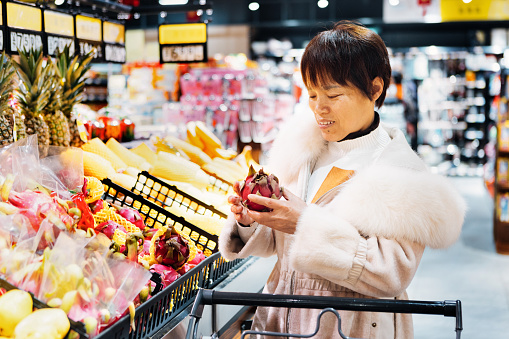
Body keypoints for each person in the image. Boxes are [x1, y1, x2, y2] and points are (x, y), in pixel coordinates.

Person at [219, 21, 466, 339]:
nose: (318, 108)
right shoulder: (301, 150)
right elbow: (277, 242)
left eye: (333, 94)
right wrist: (250, 220)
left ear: (375, 89)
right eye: (311, 94)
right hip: (280, 320)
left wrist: (302, 222)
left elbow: (390, 274)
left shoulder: (403, 175)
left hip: (351, 326)